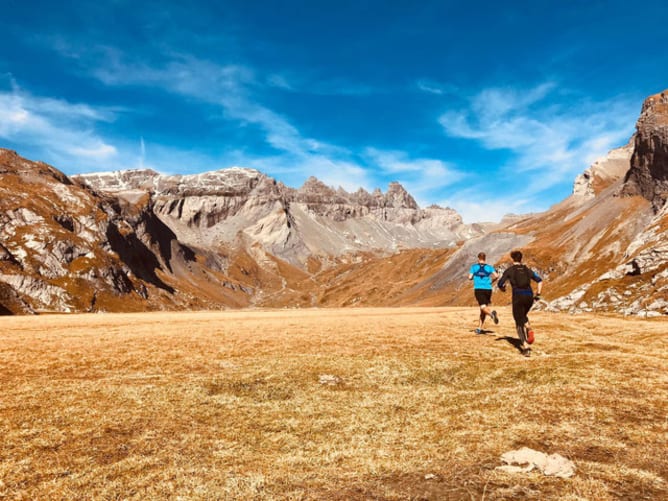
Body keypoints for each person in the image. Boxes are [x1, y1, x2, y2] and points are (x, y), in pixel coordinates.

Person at [497, 250, 543, 356]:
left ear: (512, 259)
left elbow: (500, 283)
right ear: (521, 258)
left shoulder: (510, 270)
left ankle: (525, 347)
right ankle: (529, 329)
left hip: (518, 296)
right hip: (529, 297)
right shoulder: (527, 270)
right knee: (522, 316)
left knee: (518, 322)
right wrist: (538, 294)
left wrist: (503, 288)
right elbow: (540, 280)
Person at [468, 252, 499, 334]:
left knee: (482, 307)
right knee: (483, 309)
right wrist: (491, 281)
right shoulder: (489, 267)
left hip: (479, 289)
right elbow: (496, 276)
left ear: (478, 258)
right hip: (488, 289)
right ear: (485, 258)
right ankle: (479, 328)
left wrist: (473, 277)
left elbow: (470, 277)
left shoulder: (474, 267)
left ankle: (492, 314)